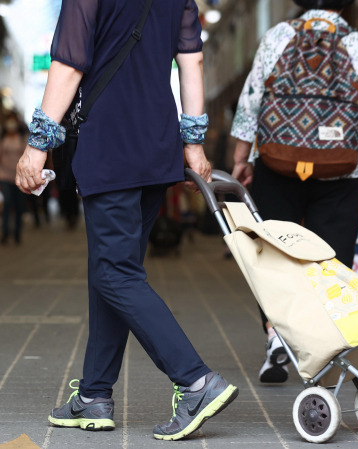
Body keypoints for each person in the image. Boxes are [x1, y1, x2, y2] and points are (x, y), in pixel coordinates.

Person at [15, 0, 238, 441]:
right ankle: (95, 394)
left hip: (110, 141)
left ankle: (195, 381)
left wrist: (38, 143)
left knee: (114, 273)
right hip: (157, 143)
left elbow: (69, 63)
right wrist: (193, 143)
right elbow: (191, 61)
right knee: (115, 271)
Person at [230, 0, 358, 384]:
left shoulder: (277, 37)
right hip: (342, 170)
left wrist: (242, 158)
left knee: (275, 256)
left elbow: (251, 102)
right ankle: (325, 349)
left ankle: (276, 336)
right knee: (333, 262)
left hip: (276, 163)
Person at [0, 113, 28, 245]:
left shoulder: (22, 138)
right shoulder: (2, 137)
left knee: (19, 205)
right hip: (4, 176)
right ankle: (5, 232)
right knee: (7, 203)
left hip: (19, 177)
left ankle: (17, 232)